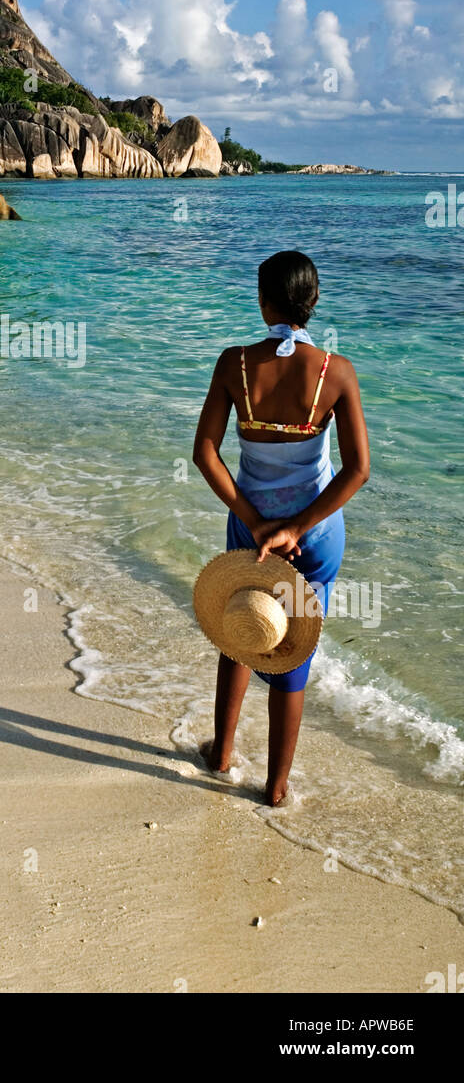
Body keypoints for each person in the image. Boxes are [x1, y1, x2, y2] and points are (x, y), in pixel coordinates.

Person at [192, 250, 370, 805]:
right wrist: (295, 527)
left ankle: (221, 755)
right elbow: (359, 469)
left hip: (251, 525)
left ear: (262, 300)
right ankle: (276, 786)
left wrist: (256, 523)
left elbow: (205, 453)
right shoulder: (334, 373)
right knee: (293, 648)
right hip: (313, 533)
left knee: (240, 628)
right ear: (313, 304)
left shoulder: (234, 364)